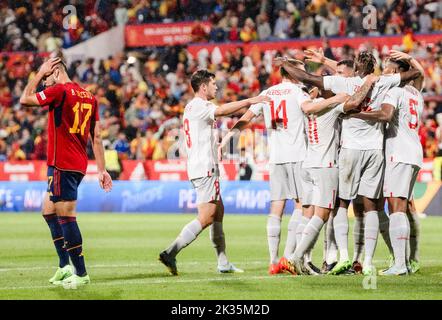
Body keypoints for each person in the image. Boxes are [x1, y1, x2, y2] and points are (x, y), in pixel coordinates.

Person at [275, 51, 421, 275]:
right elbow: (414, 73)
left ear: (355, 68)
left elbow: (309, 79)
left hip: (347, 150)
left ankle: (340, 257)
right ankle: (369, 261)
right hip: (376, 151)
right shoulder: (384, 81)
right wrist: (404, 64)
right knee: (372, 206)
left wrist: (286, 65)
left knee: (341, 204)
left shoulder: (339, 87)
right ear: (375, 68)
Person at [158, 69, 270, 275]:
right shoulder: (201, 106)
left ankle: (223, 262)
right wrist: (252, 99)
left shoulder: (192, 106)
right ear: (203, 87)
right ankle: (170, 252)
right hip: (205, 167)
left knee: (218, 212)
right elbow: (223, 111)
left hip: (201, 166)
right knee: (207, 216)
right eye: (213, 83)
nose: (216, 87)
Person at [19, 57, 112, 289]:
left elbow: (24, 99)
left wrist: (40, 73)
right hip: (77, 164)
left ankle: (80, 273)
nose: (45, 83)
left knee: (66, 217)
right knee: (48, 211)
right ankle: (64, 266)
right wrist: (102, 169)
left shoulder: (59, 90)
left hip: (62, 164)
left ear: (57, 72)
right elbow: (97, 136)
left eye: (48, 77)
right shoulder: (90, 97)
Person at [219, 59, 319, 275]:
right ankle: (289, 257)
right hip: (298, 155)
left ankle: (273, 261)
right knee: (303, 206)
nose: (304, 75)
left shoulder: (268, 92)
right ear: (292, 72)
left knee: (276, 208)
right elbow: (308, 109)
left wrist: (226, 139)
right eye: (301, 71)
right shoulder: (297, 91)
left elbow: (245, 119)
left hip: (276, 157)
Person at [287, 74, 379, 275]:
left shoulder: (308, 107)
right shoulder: (329, 106)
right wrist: (366, 83)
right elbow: (353, 102)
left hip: (309, 162)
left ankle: (302, 259)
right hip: (325, 164)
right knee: (322, 214)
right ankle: (295, 257)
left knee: (311, 212)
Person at [349, 52, 425, 275]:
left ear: (394, 72)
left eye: (386, 68)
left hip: (398, 153)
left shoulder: (394, 91)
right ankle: (403, 262)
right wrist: (409, 57)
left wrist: (357, 114)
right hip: (414, 153)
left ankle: (400, 265)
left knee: (396, 208)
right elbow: (419, 73)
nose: (383, 71)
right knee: (400, 207)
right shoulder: (415, 93)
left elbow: (384, 115)